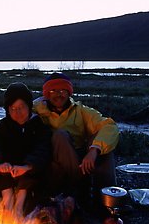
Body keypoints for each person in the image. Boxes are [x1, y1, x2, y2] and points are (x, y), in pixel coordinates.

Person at [32, 72, 120, 216]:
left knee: (103, 147)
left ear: (69, 92)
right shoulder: (36, 110)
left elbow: (110, 126)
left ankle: (106, 202)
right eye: (53, 91)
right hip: (52, 164)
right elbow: (16, 116)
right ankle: (79, 193)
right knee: (60, 135)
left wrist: (94, 150)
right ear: (47, 94)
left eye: (62, 90)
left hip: (79, 161)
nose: (58, 94)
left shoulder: (81, 111)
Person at [0, 82, 52, 219]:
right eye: (13, 108)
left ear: (29, 106)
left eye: (21, 107)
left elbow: (42, 150)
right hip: (5, 176)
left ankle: (19, 208)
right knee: (0, 177)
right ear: (7, 109)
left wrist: (27, 166)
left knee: (29, 178)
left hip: (30, 176)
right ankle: (7, 207)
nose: (18, 113)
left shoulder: (40, 127)